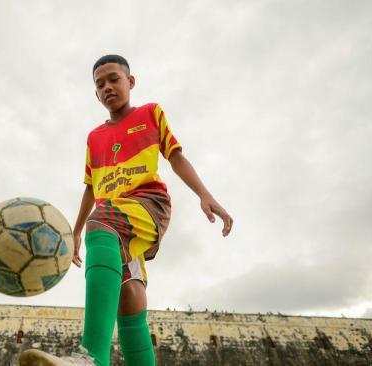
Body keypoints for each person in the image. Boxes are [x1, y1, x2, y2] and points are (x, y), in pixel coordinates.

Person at [20, 55, 233, 366]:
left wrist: (205, 195)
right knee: (129, 295)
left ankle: (91, 356)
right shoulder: (94, 138)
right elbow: (91, 187)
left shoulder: (151, 112)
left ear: (130, 82)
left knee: (101, 222)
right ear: (95, 94)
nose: (107, 87)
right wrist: (75, 231)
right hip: (114, 222)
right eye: (100, 84)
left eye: (113, 79)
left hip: (148, 203)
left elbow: (175, 157)